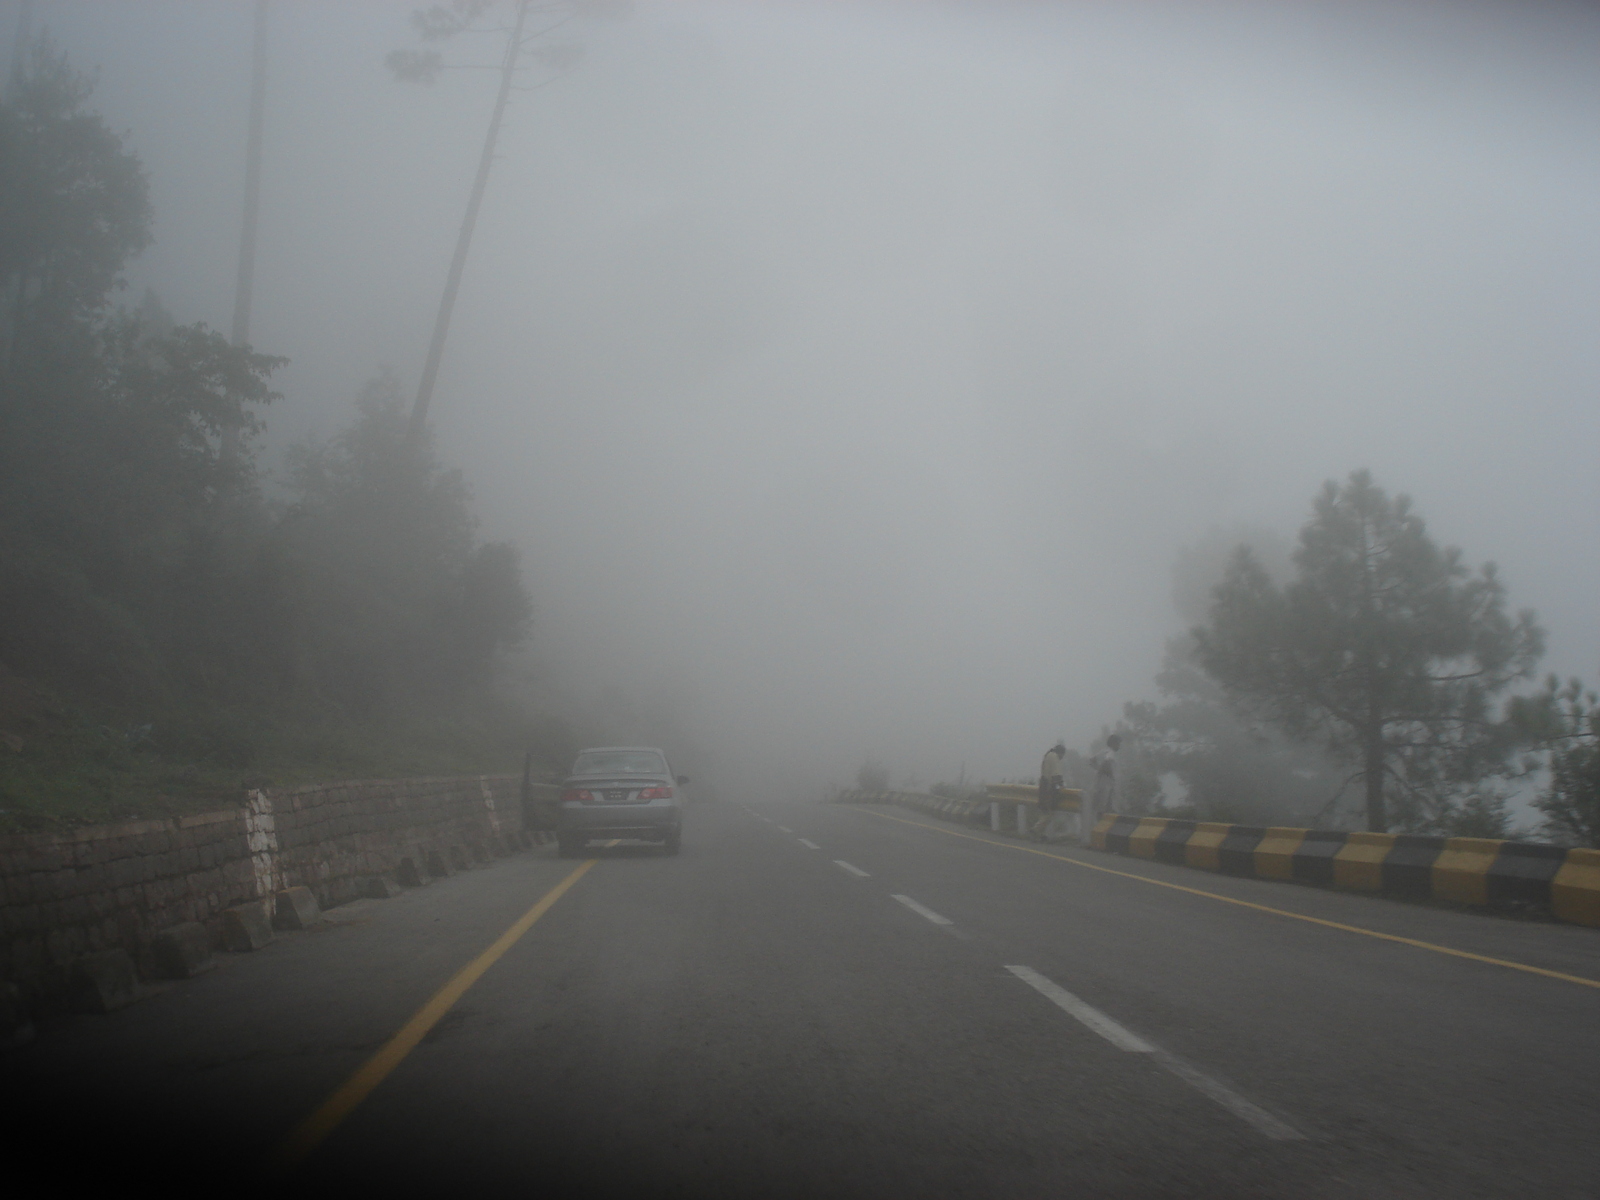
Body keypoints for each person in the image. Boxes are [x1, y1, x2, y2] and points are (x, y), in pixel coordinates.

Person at [1084, 733, 1123, 834]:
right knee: (1105, 810)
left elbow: (1091, 761)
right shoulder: (1110, 753)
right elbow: (1107, 762)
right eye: (1118, 743)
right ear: (1113, 743)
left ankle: (1095, 831)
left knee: (1099, 809)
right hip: (1106, 786)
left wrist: (1098, 770)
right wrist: (1105, 771)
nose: (1119, 746)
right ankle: (1100, 833)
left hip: (1099, 785)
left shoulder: (1103, 752)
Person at [1029, 741, 1067, 840]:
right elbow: (1056, 775)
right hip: (1048, 788)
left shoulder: (1048, 755)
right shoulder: (1054, 757)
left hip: (1043, 785)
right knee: (1049, 813)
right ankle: (1035, 830)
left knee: (1044, 811)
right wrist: (1062, 786)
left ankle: (1040, 835)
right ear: (1061, 753)